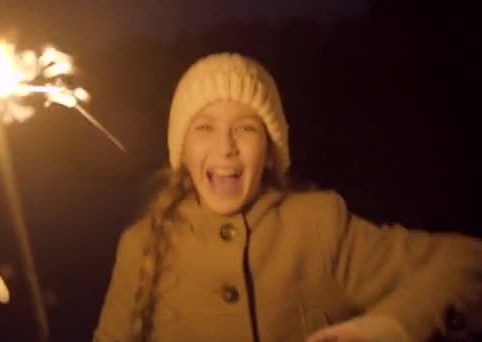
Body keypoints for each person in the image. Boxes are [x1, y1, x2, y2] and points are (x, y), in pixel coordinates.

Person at [93, 52, 482, 341]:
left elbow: (467, 265)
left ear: (269, 151)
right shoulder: (141, 247)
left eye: (245, 129)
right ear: (182, 151)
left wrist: (389, 327)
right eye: (205, 128)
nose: (226, 147)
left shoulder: (320, 226)